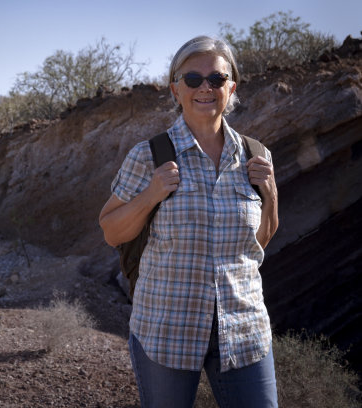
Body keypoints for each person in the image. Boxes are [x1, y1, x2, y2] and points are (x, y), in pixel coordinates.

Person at [99, 36, 279, 407]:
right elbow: (111, 230)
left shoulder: (256, 155)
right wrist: (151, 195)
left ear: (231, 87)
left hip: (243, 331)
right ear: (175, 89)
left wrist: (271, 194)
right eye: (193, 79)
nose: (205, 88)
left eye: (216, 79)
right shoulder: (148, 156)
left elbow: (258, 243)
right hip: (167, 330)